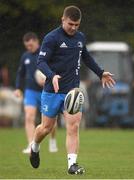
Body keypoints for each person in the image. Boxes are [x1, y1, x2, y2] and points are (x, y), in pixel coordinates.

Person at [29, 6, 115, 174]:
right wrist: (52, 75)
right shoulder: (51, 38)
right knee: (46, 128)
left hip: (72, 92)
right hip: (51, 91)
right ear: (63, 19)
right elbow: (41, 62)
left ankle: (72, 164)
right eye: (71, 24)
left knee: (73, 127)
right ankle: (35, 146)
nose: (74, 28)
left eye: (77, 24)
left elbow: (87, 57)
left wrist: (100, 72)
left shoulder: (80, 38)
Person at [14, 32, 58, 154]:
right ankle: (31, 144)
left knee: (50, 122)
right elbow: (20, 73)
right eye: (27, 46)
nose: (29, 47)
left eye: (31, 45)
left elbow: (55, 69)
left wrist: (49, 78)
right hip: (30, 91)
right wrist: (18, 88)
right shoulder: (25, 57)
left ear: (37, 42)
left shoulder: (46, 53)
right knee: (29, 117)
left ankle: (53, 139)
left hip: (47, 91)